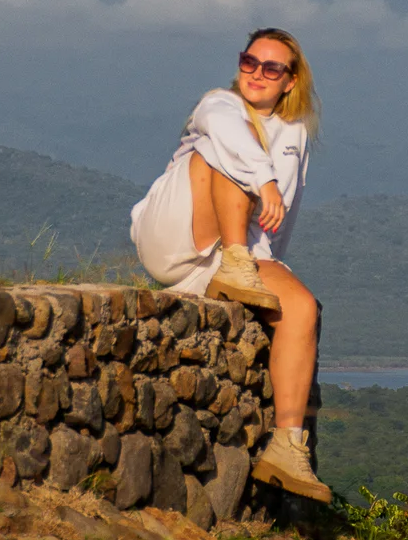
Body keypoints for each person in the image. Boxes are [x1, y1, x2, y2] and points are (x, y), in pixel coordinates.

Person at [130, 26, 329, 503]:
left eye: (271, 67)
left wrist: (270, 266)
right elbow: (230, 140)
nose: (256, 73)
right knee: (222, 153)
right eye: (248, 62)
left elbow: (284, 219)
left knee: (301, 308)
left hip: (239, 251)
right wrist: (264, 181)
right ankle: (235, 265)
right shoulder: (218, 104)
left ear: (290, 80)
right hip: (176, 238)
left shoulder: (296, 134)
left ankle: (286, 445)